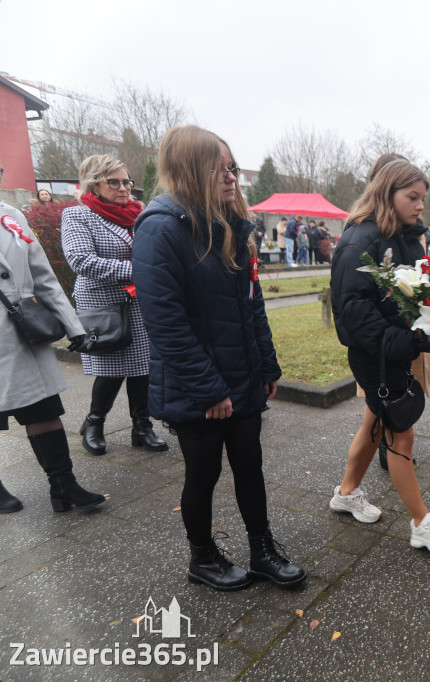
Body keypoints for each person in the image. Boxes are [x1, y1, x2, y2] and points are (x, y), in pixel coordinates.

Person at [133, 125, 305, 591]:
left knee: (250, 463)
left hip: (242, 373)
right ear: (191, 170)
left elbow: (252, 304)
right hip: (198, 385)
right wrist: (209, 388)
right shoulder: (160, 229)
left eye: (232, 168)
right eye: (220, 169)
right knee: (203, 473)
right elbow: (165, 322)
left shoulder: (229, 224)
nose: (232, 179)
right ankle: (202, 558)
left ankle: (262, 550)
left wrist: (267, 366)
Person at [329, 159, 430, 554]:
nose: (421, 206)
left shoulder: (400, 236)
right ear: (388, 193)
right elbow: (353, 312)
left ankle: (346, 492)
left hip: (390, 351)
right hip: (375, 356)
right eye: (413, 197)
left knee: (376, 419)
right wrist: (408, 340)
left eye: (423, 198)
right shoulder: (360, 241)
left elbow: (408, 297)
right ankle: (422, 522)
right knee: (400, 431)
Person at [0, 193, 106, 514]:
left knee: (44, 409)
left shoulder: (11, 216)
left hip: (21, 332)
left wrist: (72, 325)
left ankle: (63, 485)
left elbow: (42, 273)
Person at [61, 154, 169, 456]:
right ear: (94, 184)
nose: (124, 188)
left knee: (142, 367)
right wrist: (141, 270)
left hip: (141, 303)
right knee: (111, 368)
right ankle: (94, 423)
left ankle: (142, 427)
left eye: (126, 181)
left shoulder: (139, 214)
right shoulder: (78, 215)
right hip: (103, 304)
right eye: (114, 182)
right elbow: (81, 261)